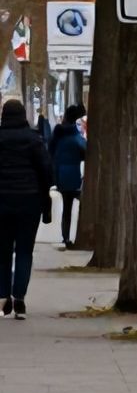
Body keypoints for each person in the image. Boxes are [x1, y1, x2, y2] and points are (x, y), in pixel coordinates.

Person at [0, 99, 52, 319]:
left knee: (2, 252)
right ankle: (19, 296)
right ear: (23, 116)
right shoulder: (33, 139)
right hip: (29, 200)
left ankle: (3, 296)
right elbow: (46, 170)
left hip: (1, 201)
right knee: (24, 250)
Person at [49, 105, 86, 250]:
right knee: (76, 204)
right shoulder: (74, 135)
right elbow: (84, 149)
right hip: (73, 175)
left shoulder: (58, 135)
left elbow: (50, 152)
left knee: (67, 207)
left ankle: (65, 236)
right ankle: (70, 236)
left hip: (60, 175)